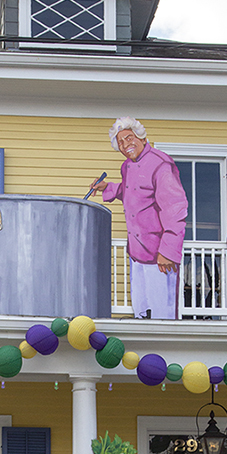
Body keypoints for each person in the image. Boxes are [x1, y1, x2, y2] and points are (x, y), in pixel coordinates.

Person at [91, 117, 188, 319]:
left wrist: (168, 251)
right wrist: (108, 188)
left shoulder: (161, 164)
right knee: (141, 314)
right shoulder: (127, 166)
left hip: (159, 256)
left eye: (129, 138)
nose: (125, 145)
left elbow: (175, 208)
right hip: (136, 253)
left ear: (142, 138)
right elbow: (133, 192)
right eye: (120, 142)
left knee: (162, 317)